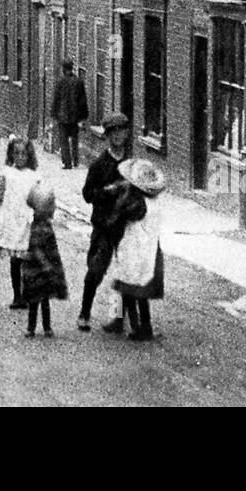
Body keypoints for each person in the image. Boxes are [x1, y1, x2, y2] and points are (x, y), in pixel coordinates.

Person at [77, 112, 132, 332]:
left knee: (124, 273)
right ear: (107, 136)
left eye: (122, 131)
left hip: (125, 226)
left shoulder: (131, 163)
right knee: (96, 271)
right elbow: (88, 194)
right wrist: (108, 191)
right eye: (113, 132)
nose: (118, 136)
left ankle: (118, 319)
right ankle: (84, 313)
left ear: (127, 134)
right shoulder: (99, 164)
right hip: (104, 226)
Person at [108, 158, 167, 342]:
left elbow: (119, 216)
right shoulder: (154, 202)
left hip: (134, 249)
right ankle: (120, 320)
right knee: (130, 287)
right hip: (149, 249)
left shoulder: (136, 203)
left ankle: (139, 326)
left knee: (126, 286)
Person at [0, 136, 41, 310]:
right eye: (16, 153)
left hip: (27, 221)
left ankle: (26, 293)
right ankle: (17, 295)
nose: (20, 157)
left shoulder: (34, 176)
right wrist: (6, 213)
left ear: (29, 156)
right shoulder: (7, 172)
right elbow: (1, 195)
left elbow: (38, 198)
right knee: (14, 260)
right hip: (12, 221)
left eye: (24, 154)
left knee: (26, 259)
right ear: (11, 155)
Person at [21, 182, 67, 338]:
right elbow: (37, 248)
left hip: (36, 269)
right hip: (39, 269)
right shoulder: (41, 227)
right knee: (38, 301)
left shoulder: (39, 224)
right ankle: (35, 327)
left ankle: (39, 327)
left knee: (40, 300)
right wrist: (47, 265)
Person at [51, 58, 89, 170]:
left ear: (63, 69)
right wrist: (83, 116)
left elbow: (56, 100)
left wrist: (54, 114)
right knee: (75, 139)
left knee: (63, 140)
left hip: (62, 117)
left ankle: (67, 163)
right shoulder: (78, 82)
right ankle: (76, 160)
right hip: (75, 116)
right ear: (72, 68)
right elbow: (83, 101)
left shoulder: (60, 82)